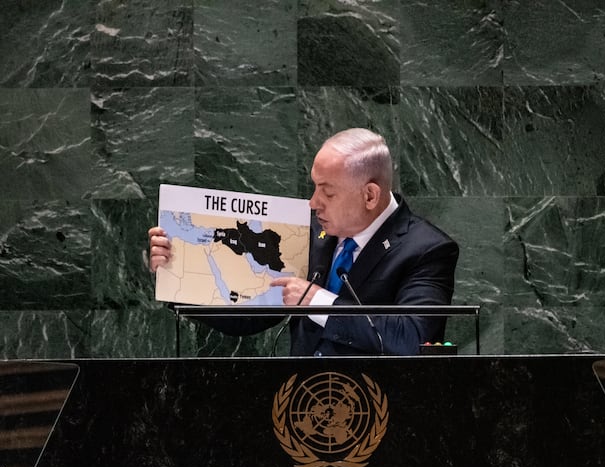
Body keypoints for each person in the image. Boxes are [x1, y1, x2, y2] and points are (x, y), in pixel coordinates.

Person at [148, 128, 459, 356]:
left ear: (369, 195)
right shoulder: (310, 232)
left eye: (328, 192)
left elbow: (411, 339)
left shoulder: (427, 250)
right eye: (314, 187)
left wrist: (317, 301)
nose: (313, 203)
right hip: (298, 404)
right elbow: (249, 314)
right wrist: (178, 274)